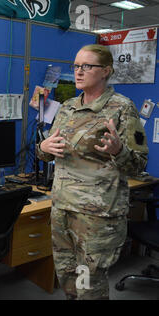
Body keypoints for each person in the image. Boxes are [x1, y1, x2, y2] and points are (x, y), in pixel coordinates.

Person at [36, 44, 148, 300]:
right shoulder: (67, 108)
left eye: (86, 66)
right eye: (76, 66)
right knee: (68, 280)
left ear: (106, 71)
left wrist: (119, 150)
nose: (78, 72)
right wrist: (42, 147)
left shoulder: (122, 108)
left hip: (97, 218)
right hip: (63, 209)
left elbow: (139, 164)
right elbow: (47, 151)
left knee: (89, 286)